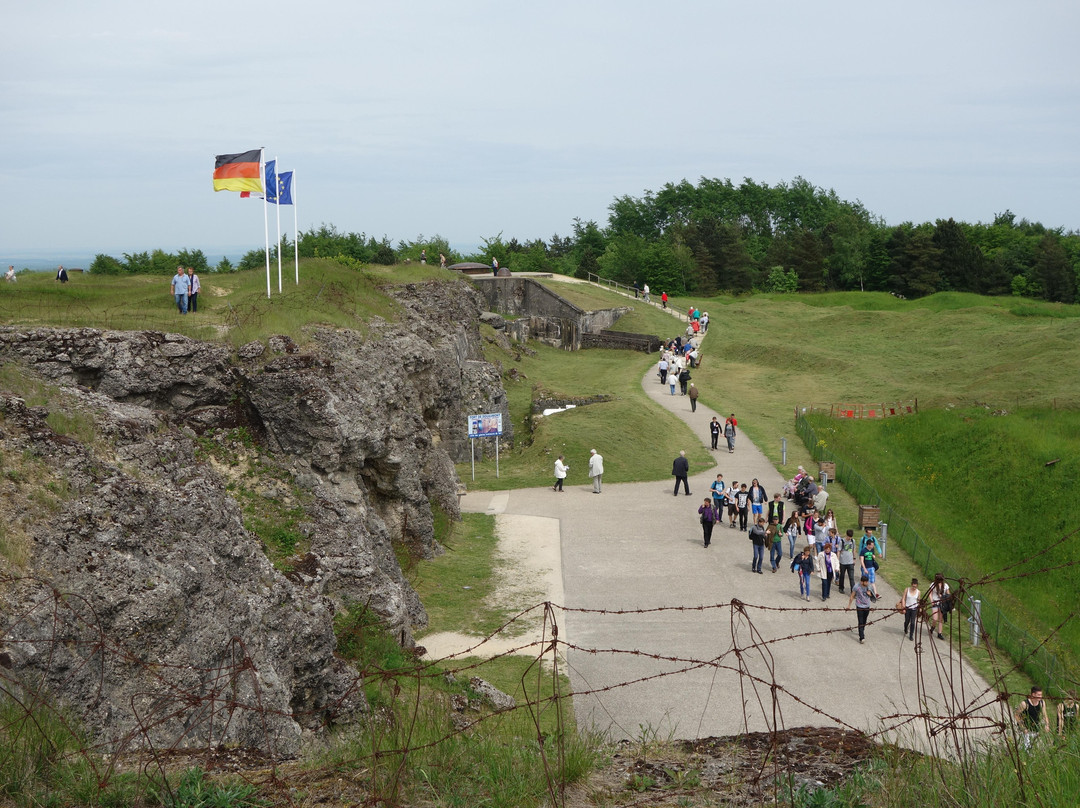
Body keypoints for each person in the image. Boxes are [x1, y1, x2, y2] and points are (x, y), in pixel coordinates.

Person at [847, 574, 874, 643]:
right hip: (859, 606)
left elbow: (872, 596)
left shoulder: (869, 586)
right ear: (862, 582)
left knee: (864, 621)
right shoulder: (856, 587)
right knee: (860, 621)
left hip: (867, 605)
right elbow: (852, 596)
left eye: (867, 582)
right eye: (866, 582)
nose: (867, 583)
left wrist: (869, 594)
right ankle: (862, 637)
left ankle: (861, 630)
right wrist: (849, 606)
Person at [928, 573, 951, 640]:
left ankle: (939, 633)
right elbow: (930, 593)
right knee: (935, 618)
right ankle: (933, 627)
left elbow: (948, 594)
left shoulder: (946, 586)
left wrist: (944, 598)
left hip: (942, 603)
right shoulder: (933, 584)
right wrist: (932, 601)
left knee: (941, 619)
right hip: (935, 602)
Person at [836, 529, 856, 594]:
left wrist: (854, 558)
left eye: (850, 537)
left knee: (851, 577)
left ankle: (853, 591)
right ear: (846, 535)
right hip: (843, 562)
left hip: (850, 562)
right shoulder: (842, 541)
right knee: (842, 575)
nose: (849, 538)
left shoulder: (853, 541)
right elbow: (838, 550)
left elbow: (854, 550)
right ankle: (841, 588)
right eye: (848, 537)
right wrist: (837, 560)